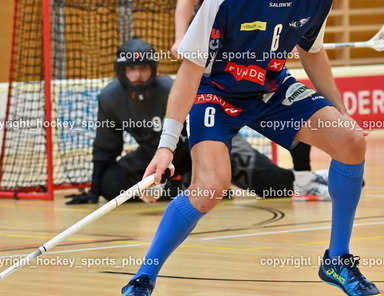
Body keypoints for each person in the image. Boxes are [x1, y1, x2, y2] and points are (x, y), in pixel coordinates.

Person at [116, 0, 381, 296]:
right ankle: (142, 280)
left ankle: (337, 260)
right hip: (216, 94)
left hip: (271, 89)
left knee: (351, 141)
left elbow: (312, 52)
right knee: (210, 187)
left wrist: (340, 109)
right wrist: (167, 147)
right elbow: (189, 72)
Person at [66, 38, 330, 205]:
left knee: (271, 185)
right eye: (131, 69)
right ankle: (193, 186)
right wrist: (94, 190)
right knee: (113, 186)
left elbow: (205, 124)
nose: (137, 75)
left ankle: (312, 179)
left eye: (143, 68)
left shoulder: (172, 89)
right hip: (159, 156)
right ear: (120, 71)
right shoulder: (109, 98)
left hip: (209, 143)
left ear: (153, 69)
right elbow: (105, 147)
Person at [171, 0, 317, 177]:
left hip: (265, 69)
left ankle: (305, 179)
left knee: (305, 113)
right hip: (219, 70)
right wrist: (181, 38)